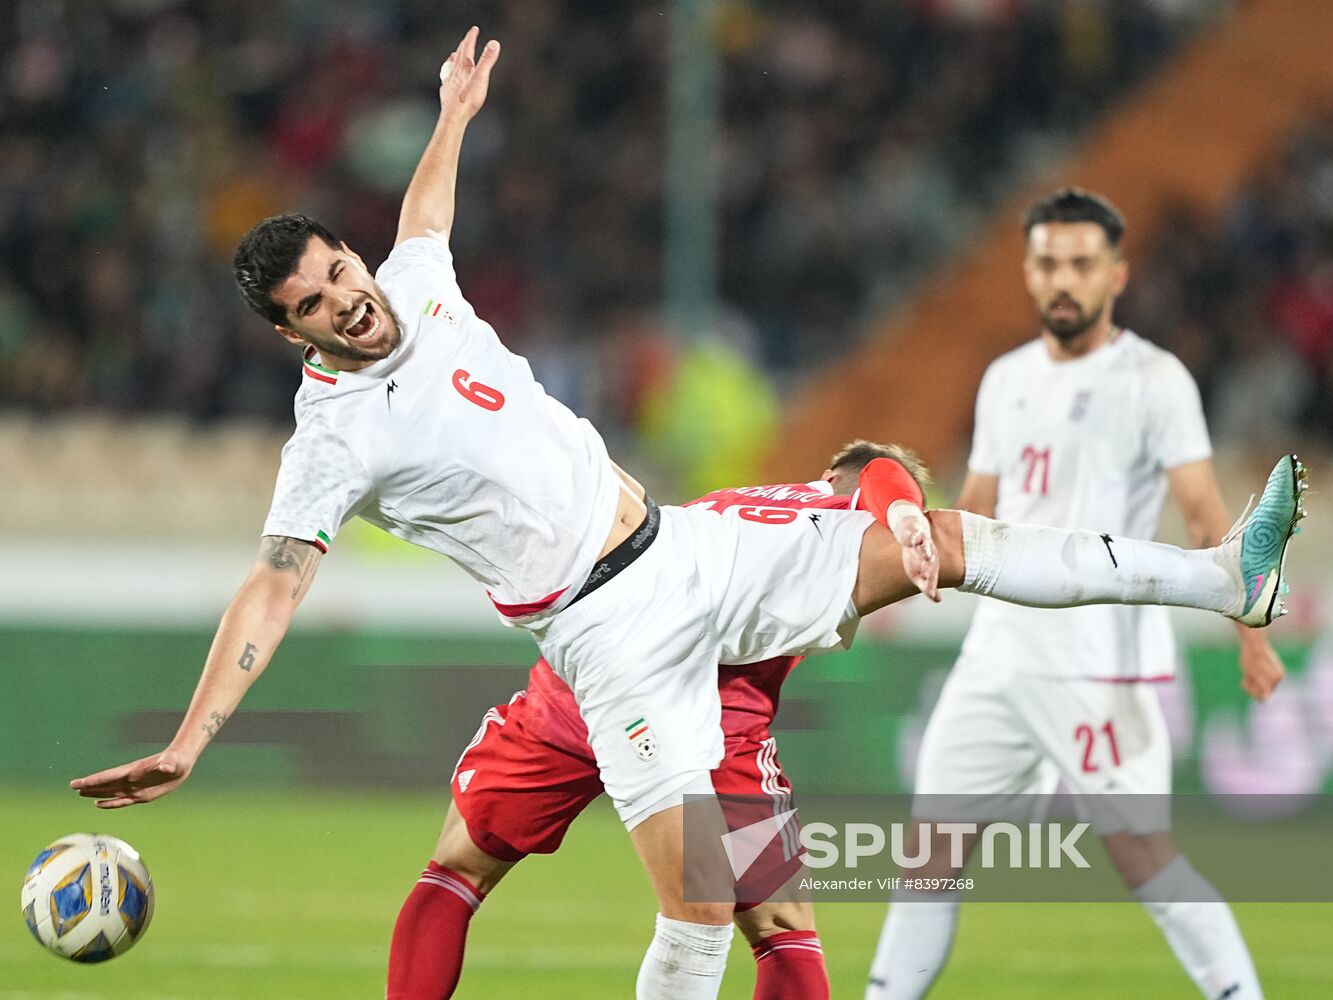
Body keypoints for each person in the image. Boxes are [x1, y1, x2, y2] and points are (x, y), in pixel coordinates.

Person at [69, 33, 1305, 1000]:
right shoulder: (330, 438)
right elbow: (278, 580)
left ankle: (1219, 576)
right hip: (610, 642)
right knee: (706, 906)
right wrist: (193, 736)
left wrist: (451, 113)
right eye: (314, 304)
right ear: (288, 335)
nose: (347, 301)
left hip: (688, 545)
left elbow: (428, 217)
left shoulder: (415, 278)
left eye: (340, 271)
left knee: (945, 538)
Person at [866, 189, 1288, 1000]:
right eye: (1048, 263)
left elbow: (1204, 512)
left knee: (1141, 857)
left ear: (1117, 275)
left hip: (1099, 667)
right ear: (1028, 272)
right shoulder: (1003, 379)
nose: (1063, 280)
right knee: (929, 850)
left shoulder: (1154, 380)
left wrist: (1251, 635)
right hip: (995, 656)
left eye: (1081, 265)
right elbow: (979, 502)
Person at [389, 440, 925, 1000]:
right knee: (781, 928)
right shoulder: (853, 524)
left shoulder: (722, 505)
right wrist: (902, 513)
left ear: (825, 473)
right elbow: (887, 477)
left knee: (457, 870)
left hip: (584, 692)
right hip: (720, 732)